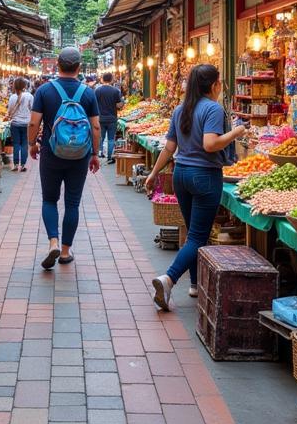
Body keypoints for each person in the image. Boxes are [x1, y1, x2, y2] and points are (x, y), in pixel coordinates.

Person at [144, 64, 247, 310]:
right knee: (198, 236)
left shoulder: (181, 109)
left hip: (181, 174)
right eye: (220, 82)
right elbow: (210, 144)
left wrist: (154, 173)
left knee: (193, 233)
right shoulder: (212, 108)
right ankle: (168, 279)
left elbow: (169, 148)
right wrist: (237, 132)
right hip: (204, 177)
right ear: (214, 85)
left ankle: (194, 285)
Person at [28, 47, 100, 270]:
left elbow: (33, 122)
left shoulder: (44, 91)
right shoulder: (88, 93)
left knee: (50, 199)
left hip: (51, 152)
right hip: (79, 156)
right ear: (79, 67)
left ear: (57, 65)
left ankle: (53, 242)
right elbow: (96, 126)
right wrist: (95, 153)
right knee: (72, 203)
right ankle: (66, 251)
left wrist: (32, 144)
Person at [94, 71, 125, 162]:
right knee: (111, 138)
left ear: (102, 79)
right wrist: (122, 102)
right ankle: (110, 156)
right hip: (112, 118)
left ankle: (100, 152)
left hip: (101, 118)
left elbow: (94, 104)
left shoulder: (97, 90)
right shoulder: (116, 91)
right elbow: (119, 105)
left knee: (101, 137)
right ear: (111, 79)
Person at [6, 76, 34, 171]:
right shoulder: (29, 96)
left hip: (15, 124)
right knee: (24, 144)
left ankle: (15, 164)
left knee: (16, 144)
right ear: (25, 86)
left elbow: (9, 111)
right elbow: (33, 109)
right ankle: (22, 165)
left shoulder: (12, 97)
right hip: (26, 124)